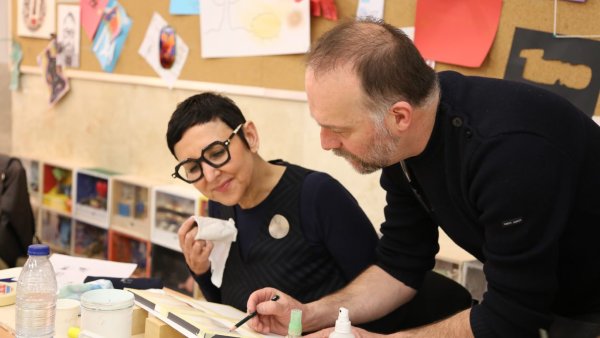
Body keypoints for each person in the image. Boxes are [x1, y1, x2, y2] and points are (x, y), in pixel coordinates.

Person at [246, 17, 600, 338]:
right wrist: (310, 314)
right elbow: (400, 264)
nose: (326, 143)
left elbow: (511, 316)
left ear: (400, 116)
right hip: (543, 297)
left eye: (338, 129)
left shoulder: (508, 153)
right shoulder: (406, 140)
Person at [166, 92, 471, 333]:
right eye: (193, 168)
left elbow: (385, 300)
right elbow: (234, 314)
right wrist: (202, 272)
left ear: (250, 137)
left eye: (217, 153)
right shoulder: (220, 202)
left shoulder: (315, 196)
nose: (210, 174)